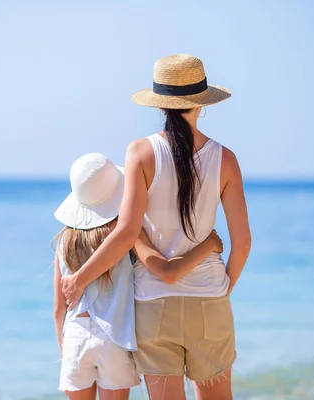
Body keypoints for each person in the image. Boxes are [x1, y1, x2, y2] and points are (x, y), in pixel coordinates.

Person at [61, 54, 252, 400]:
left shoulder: (140, 152)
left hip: (153, 304)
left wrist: (79, 279)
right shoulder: (225, 159)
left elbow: (127, 233)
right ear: (201, 103)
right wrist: (222, 287)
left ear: (160, 104)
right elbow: (241, 245)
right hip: (208, 299)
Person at [53, 152, 224, 400]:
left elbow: (59, 308)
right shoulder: (125, 235)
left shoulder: (64, 241)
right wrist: (208, 245)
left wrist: (66, 351)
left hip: (74, 335)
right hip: (112, 336)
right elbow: (165, 270)